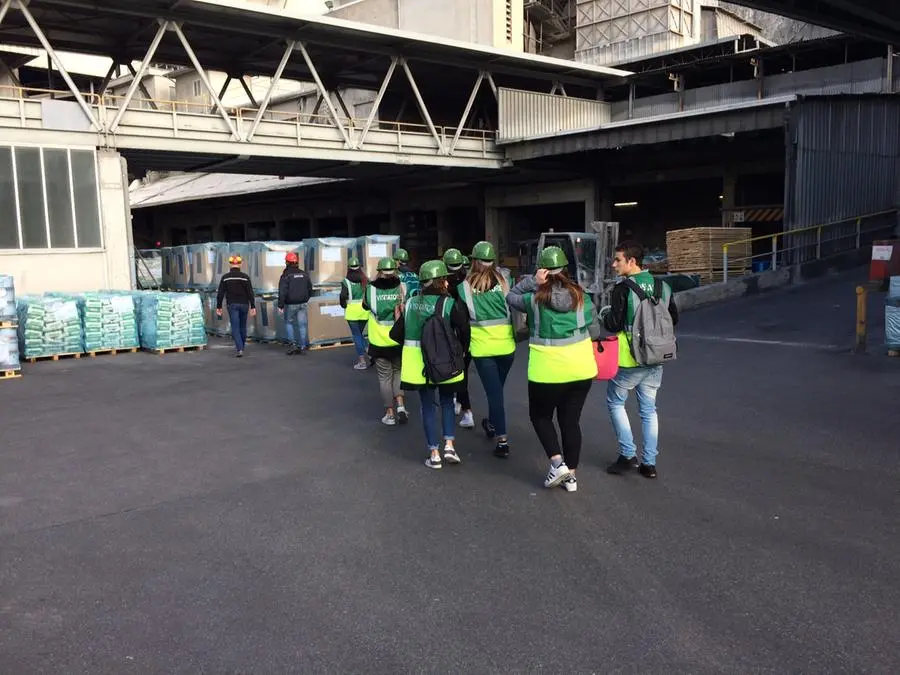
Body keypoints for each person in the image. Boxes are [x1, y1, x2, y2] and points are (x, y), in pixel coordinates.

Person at [507, 246, 601, 493]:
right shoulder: (582, 296)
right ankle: (571, 477)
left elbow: (511, 296)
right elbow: (595, 331)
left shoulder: (533, 300)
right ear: (566, 269)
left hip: (547, 371)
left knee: (540, 417)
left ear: (543, 271)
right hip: (580, 369)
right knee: (571, 421)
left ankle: (557, 463)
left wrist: (532, 282)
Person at [603, 240, 679, 480]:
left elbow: (613, 324)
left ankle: (627, 454)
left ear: (632, 261)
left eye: (618, 260)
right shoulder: (662, 286)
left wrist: (605, 313)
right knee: (648, 410)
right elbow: (673, 318)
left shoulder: (622, 289)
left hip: (630, 360)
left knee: (615, 402)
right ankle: (650, 463)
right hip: (657, 358)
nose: (614, 264)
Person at [390, 260, 471, 470]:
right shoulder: (449, 304)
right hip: (445, 363)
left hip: (419, 366)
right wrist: (462, 351)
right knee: (446, 402)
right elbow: (464, 329)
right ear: (442, 281)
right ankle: (450, 446)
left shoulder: (409, 305)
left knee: (427, 406)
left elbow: (395, 334)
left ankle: (434, 453)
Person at [459, 240, 516, 458]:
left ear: (473, 261)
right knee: (497, 391)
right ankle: (492, 423)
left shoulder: (463, 288)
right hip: (507, 347)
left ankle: (502, 440)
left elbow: (462, 321)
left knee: (495, 395)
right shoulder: (505, 280)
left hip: (483, 350)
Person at [363, 257, 409, 426]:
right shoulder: (402, 287)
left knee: (384, 378)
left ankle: (389, 414)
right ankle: (401, 407)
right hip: (397, 338)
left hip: (378, 341)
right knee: (398, 372)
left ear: (379, 271)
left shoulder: (370, 289)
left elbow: (365, 306)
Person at [443, 247, 475, 429]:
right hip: (472, 332)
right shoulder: (470, 281)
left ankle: (467, 411)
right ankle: (458, 402)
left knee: (459, 375)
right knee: (461, 374)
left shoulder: (447, 284)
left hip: (455, 333)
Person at [215, 254, 257, 358]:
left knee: (235, 326)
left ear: (230, 264)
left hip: (232, 304)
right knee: (243, 326)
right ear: (240, 264)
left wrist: (219, 307)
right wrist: (253, 306)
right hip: (244, 304)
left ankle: (240, 349)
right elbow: (250, 293)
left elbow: (220, 293)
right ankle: (241, 346)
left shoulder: (225, 278)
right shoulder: (245, 277)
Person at [277, 251, 314, 356]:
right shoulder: (304, 273)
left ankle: (293, 345)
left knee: (289, 323)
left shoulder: (286, 275)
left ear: (287, 262)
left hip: (291, 304)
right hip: (303, 303)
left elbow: (282, 291)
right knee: (302, 324)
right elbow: (310, 288)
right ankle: (302, 346)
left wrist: (280, 305)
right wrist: (306, 298)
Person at [340, 256, 370, 370]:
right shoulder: (366, 280)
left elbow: (343, 296)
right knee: (360, 334)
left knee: (357, 336)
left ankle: (362, 361)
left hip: (352, 313)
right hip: (364, 312)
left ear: (348, 268)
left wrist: (344, 305)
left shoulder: (346, 281)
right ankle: (369, 352)